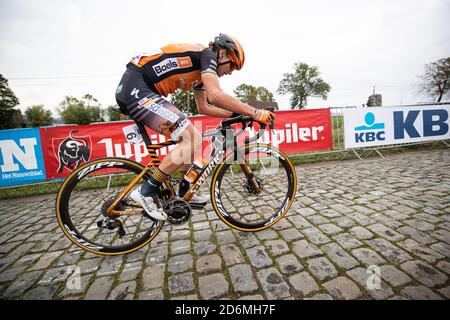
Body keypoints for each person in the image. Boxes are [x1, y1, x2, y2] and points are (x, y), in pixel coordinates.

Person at [115, 34, 275, 220]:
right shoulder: (207, 55)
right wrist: (254, 112)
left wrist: (235, 115)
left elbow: (204, 106)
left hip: (136, 88)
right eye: (232, 65)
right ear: (222, 53)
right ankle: (146, 191)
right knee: (193, 139)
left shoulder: (201, 70)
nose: (231, 71)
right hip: (137, 89)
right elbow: (215, 95)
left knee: (191, 137)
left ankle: (184, 191)